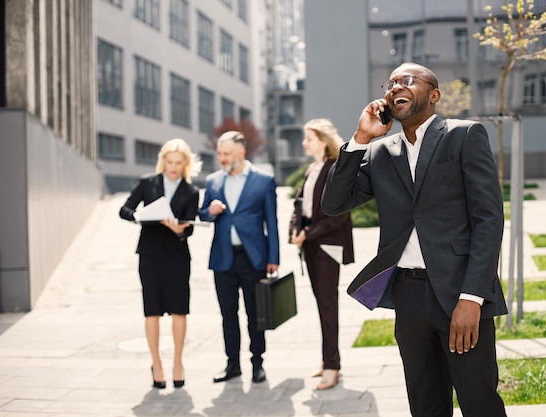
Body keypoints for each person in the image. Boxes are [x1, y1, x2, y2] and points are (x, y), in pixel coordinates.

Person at [321, 62, 508, 417]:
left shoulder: (464, 135)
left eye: (406, 81)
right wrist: (361, 139)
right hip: (408, 296)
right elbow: (333, 204)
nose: (394, 87)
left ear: (434, 95)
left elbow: (489, 220)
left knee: (478, 400)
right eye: (390, 83)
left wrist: (473, 298)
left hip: (459, 292)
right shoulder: (379, 152)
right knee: (425, 405)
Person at [119, 138, 201, 389]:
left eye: (178, 163)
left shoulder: (191, 191)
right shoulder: (147, 183)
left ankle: (177, 362)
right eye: (169, 162)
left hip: (177, 256)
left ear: (185, 164)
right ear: (162, 161)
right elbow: (125, 209)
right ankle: (156, 363)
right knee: (152, 310)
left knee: (179, 309)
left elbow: (190, 228)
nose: (173, 167)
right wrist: (139, 217)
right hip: (150, 255)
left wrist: (178, 229)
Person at [199, 131, 279, 384]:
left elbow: (272, 223)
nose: (221, 158)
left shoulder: (264, 181)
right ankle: (232, 364)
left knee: (256, 314)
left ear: (241, 152)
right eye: (220, 154)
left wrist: (273, 257)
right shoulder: (212, 181)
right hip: (223, 259)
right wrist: (209, 212)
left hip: (253, 258)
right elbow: (202, 215)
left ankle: (258, 363)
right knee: (228, 314)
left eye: (226, 154)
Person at [288, 119, 354, 390]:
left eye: (308, 138)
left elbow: (338, 214)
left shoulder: (333, 170)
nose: (304, 143)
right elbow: (299, 205)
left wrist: (308, 233)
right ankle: (327, 360)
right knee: (321, 307)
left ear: (323, 141)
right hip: (311, 246)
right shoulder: (312, 169)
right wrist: (295, 229)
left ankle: (332, 367)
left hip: (326, 248)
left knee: (328, 308)